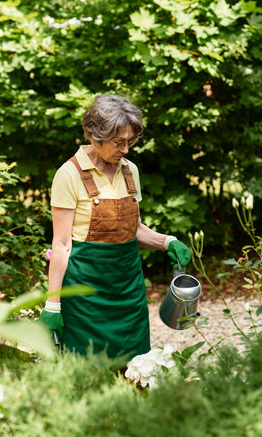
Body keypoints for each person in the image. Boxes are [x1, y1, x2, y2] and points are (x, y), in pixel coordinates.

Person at [39, 94, 191, 359]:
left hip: (128, 290)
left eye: (130, 142)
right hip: (86, 293)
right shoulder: (69, 174)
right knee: (86, 369)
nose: (126, 150)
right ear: (95, 137)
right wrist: (53, 304)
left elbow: (134, 228)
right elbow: (62, 244)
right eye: (119, 142)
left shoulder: (130, 170)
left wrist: (168, 241)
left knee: (136, 368)